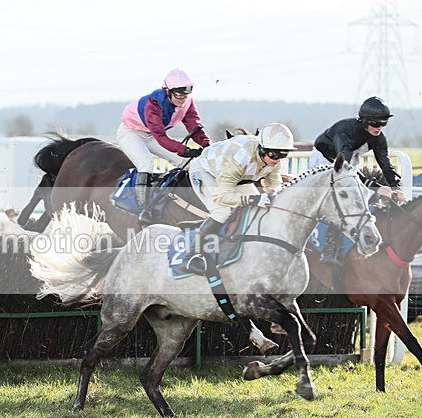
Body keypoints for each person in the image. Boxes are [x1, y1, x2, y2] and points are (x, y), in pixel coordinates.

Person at [185, 123, 296, 273]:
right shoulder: (240, 157)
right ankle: (191, 255)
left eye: (283, 154)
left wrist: (273, 194)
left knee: (260, 211)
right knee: (222, 212)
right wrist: (253, 200)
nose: (277, 159)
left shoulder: (273, 158)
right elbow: (222, 196)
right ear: (262, 149)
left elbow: (274, 184)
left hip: (238, 178)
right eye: (274, 155)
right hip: (205, 172)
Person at [309, 96, 406, 263]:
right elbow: (345, 170)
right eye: (376, 124)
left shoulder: (378, 137)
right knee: (339, 198)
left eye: (384, 124)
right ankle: (329, 248)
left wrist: (396, 188)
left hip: (348, 158)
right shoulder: (344, 133)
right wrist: (376, 187)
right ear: (365, 121)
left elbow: (386, 165)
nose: (380, 128)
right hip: (325, 160)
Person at [117, 68, 212, 222]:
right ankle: (144, 211)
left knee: (185, 163)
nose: (183, 99)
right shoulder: (153, 104)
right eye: (178, 95)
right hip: (131, 133)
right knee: (146, 164)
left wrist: (208, 146)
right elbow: (161, 137)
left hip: (151, 134)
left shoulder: (187, 102)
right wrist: (185, 150)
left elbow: (194, 125)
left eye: (186, 95)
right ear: (167, 91)